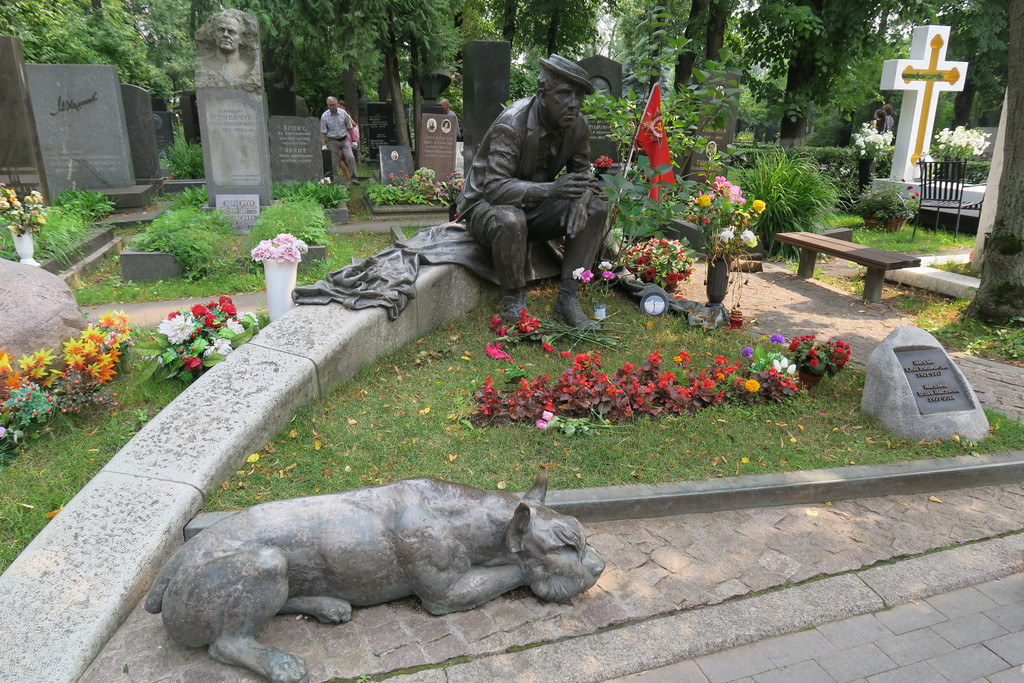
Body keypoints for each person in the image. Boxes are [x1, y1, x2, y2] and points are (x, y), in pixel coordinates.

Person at [456, 54, 608, 327]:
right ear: (542, 93)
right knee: (510, 218)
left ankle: (568, 298)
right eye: (564, 94)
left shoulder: (578, 127)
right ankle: (512, 297)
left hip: (533, 207)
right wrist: (553, 190)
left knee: (596, 207)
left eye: (578, 97)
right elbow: (494, 188)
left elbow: (583, 174)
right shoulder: (512, 124)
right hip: (485, 208)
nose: (573, 104)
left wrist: (581, 201)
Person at [194, 9, 261, 93]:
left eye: (231, 32)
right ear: (213, 34)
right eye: (221, 30)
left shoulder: (247, 68)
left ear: (241, 38)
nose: (225, 35)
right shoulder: (203, 64)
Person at [320, 97, 358, 185]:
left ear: (336, 104)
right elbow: (322, 132)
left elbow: (350, 127)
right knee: (334, 161)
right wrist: (323, 144)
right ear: (328, 105)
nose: (332, 107)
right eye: (330, 105)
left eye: (334, 105)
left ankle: (354, 178)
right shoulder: (324, 116)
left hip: (344, 140)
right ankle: (335, 179)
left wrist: (354, 141)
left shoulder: (343, 113)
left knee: (350, 158)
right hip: (332, 141)